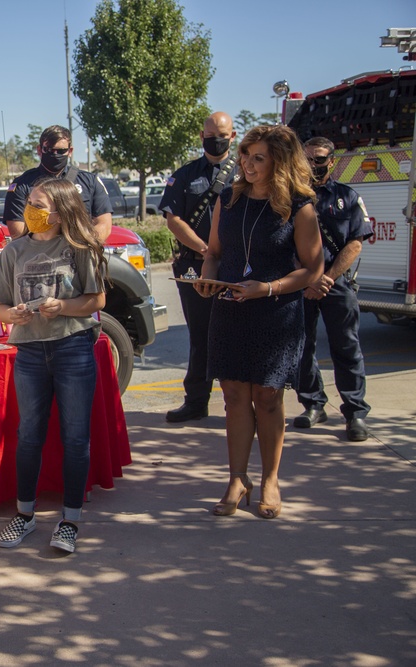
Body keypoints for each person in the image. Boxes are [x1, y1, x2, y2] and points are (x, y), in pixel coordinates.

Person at [195, 125, 323, 520]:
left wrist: (267, 288)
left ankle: (270, 480)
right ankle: (237, 479)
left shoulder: (299, 206)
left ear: (279, 162)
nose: (247, 164)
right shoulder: (228, 200)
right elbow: (214, 252)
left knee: (267, 397)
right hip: (230, 308)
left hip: (275, 312)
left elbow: (314, 269)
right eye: (246, 155)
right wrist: (206, 276)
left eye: (258, 158)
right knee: (233, 396)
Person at [0, 178, 107, 553]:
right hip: (30, 353)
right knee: (29, 435)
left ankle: (70, 520)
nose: (32, 210)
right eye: (30, 203)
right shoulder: (13, 251)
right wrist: (13, 316)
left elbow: (95, 299)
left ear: (60, 211)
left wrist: (63, 307)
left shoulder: (80, 248)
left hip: (73, 348)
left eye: (40, 205)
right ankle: (25, 514)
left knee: (75, 438)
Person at [159, 111, 239, 423]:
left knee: (237, 335)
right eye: (209, 135)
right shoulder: (186, 175)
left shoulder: (246, 174)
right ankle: (196, 401)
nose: (215, 140)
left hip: (235, 267)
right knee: (201, 337)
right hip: (194, 266)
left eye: (221, 135)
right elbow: (173, 219)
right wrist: (206, 251)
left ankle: (239, 404)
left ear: (232, 136)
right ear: (201, 136)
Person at [294, 137, 373, 442]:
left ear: (332, 161)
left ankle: (355, 413)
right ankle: (313, 405)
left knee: (347, 348)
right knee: (302, 348)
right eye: (308, 159)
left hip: (335, 283)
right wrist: (309, 278)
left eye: (319, 159)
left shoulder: (347, 197)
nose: (313, 164)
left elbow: (355, 242)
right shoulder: (291, 197)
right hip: (301, 283)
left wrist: (325, 277)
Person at [3, 124, 113, 242]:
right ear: (39, 150)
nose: (55, 154)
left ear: (70, 151)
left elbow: (104, 225)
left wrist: (82, 248)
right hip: (39, 255)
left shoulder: (89, 181)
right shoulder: (22, 185)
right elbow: (17, 231)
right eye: (49, 149)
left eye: (61, 151)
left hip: (79, 252)